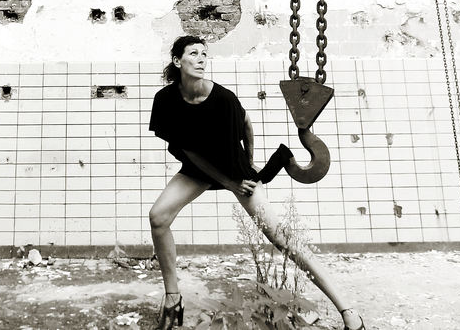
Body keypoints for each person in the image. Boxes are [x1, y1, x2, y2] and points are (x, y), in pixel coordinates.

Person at [147, 35, 367, 330]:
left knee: (281, 238)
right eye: (193, 54)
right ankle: (173, 299)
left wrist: (248, 165)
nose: (201, 59)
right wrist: (225, 182)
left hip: (236, 172)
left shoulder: (223, 99)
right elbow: (187, 150)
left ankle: (348, 310)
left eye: (204, 54)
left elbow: (247, 124)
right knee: (158, 217)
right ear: (177, 61)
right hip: (201, 170)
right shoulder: (166, 100)